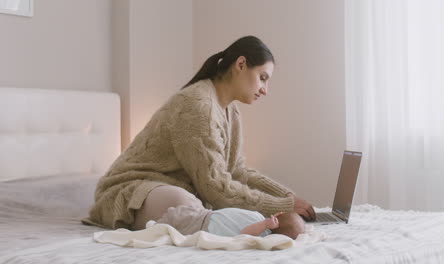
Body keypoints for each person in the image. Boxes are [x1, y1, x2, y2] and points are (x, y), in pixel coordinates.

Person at [82, 35, 316, 231]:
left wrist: (287, 197)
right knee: (186, 203)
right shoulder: (197, 104)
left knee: (197, 207)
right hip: (130, 190)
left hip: (174, 191)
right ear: (241, 64)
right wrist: (278, 206)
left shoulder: (230, 110)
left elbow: (237, 170)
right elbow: (215, 189)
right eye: (263, 78)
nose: (265, 90)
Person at [147, 205, 305, 240]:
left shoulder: (261, 230)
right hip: (207, 215)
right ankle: (156, 226)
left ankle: (154, 227)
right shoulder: (259, 219)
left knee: (176, 218)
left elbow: (244, 234)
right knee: (178, 213)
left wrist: (265, 225)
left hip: (203, 223)